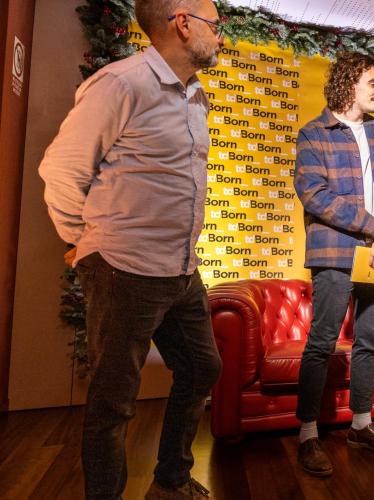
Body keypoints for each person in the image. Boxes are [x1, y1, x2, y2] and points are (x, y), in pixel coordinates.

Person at [38, 1, 224, 498]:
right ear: (182, 23)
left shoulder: (195, 95)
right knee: (113, 402)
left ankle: (170, 481)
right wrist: (85, 244)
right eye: (214, 24)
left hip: (180, 270)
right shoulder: (122, 83)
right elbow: (61, 172)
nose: (220, 35)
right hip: (125, 269)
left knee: (202, 367)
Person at [293, 52, 374, 476]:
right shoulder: (313, 133)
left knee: (369, 340)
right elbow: (315, 195)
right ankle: (308, 433)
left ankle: (361, 424)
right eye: (373, 83)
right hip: (335, 252)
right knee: (322, 341)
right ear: (349, 83)